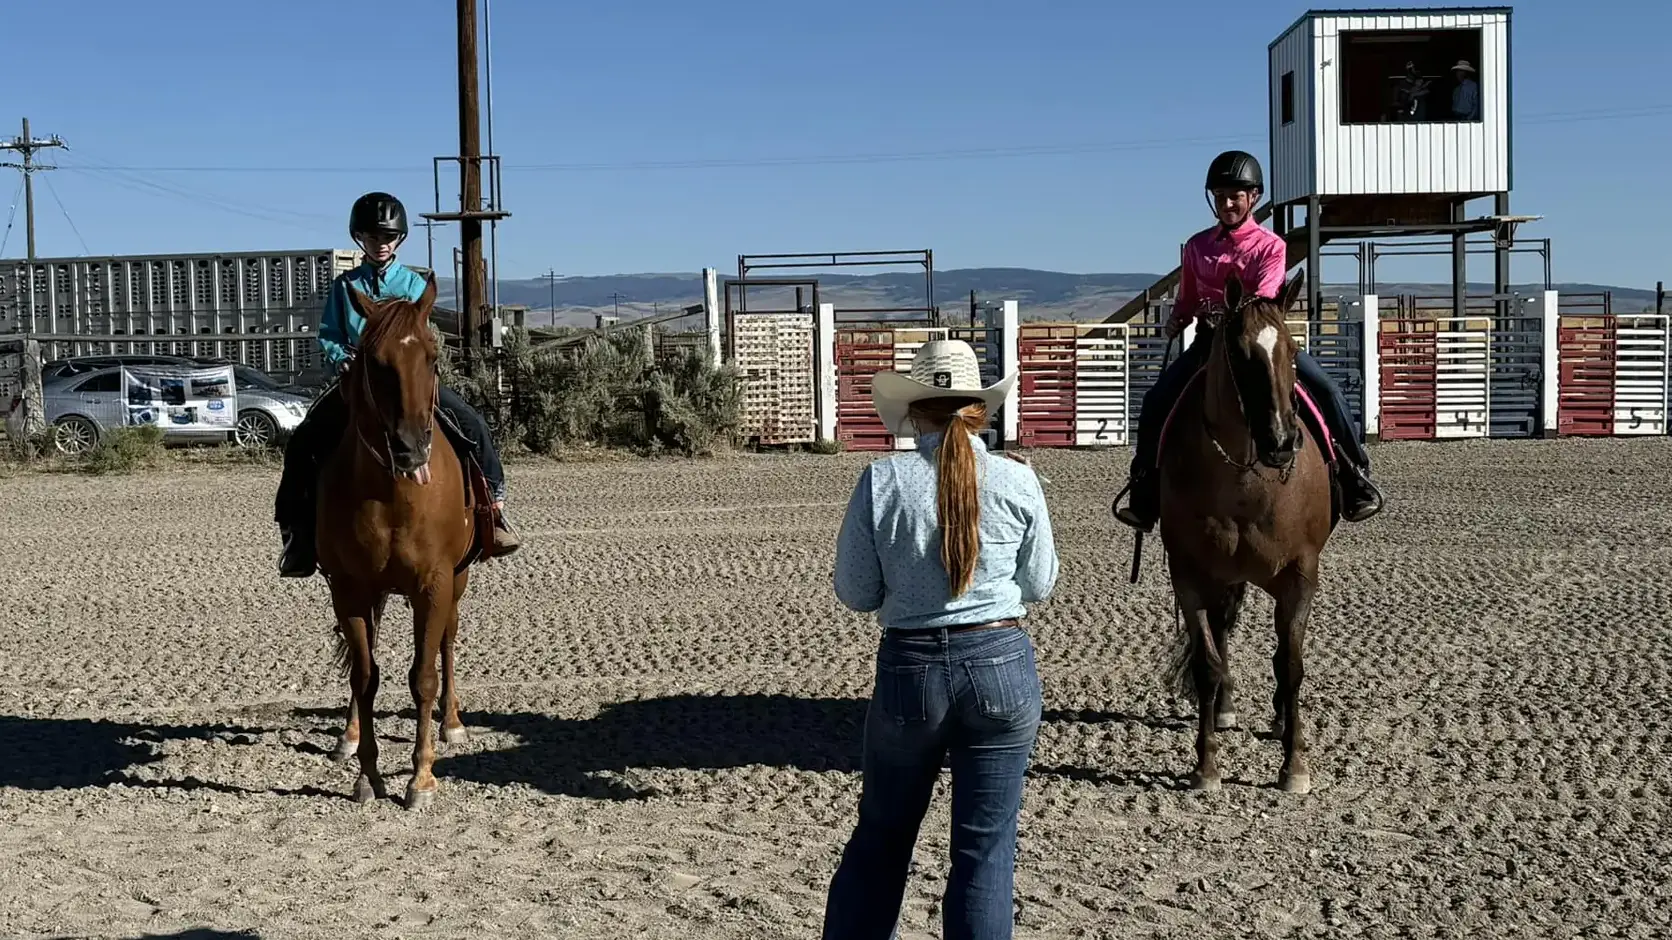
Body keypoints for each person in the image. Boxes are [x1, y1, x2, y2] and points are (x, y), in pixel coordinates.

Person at [822, 339, 1058, 940]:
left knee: (882, 837)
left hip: (911, 670)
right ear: (980, 410)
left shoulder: (882, 481)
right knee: (985, 852)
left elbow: (855, 591)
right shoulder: (1018, 480)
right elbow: (1038, 584)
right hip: (1001, 663)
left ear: (915, 411)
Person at [1111, 150, 1384, 532]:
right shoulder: (1196, 246)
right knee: (1157, 399)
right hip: (1209, 343)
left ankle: (1355, 477)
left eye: (1235, 196)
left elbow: (1264, 296)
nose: (1226, 204)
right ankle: (1144, 491)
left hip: (1258, 342)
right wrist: (1177, 318)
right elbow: (1188, 296)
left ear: (1253, 197)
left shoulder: (1271, 246)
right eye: (1220, 196)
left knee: (1327, 389)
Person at [273, 191, 521, 577]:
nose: (381, 244)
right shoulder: (345, 287)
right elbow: (329, 333)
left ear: (399, 239)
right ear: (361, 240)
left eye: (387, 237)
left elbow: (422, 336)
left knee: (471, 422)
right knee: (305, 438)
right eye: (373, 238)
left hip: (408, 384)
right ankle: (297, 532)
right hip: (359, 384)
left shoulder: (414, 285)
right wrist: (342, 357)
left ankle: (493, 514)